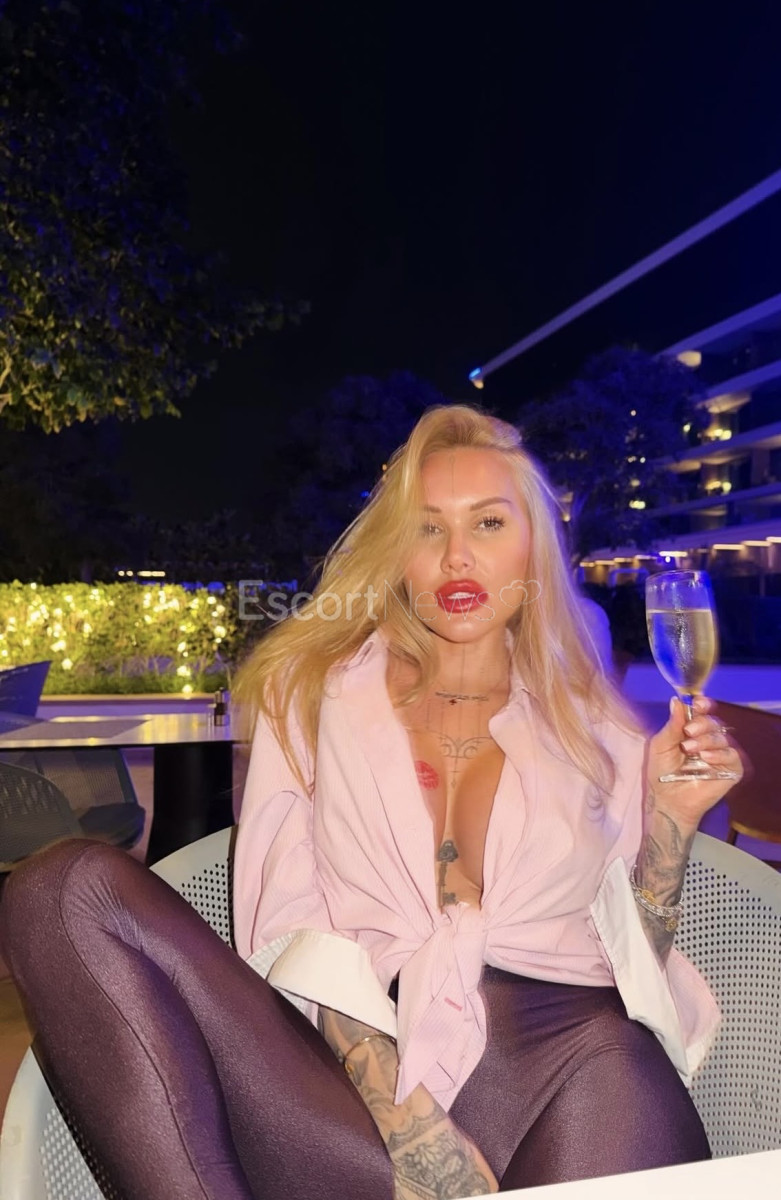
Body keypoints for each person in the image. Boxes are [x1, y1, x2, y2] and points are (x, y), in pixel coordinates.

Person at [0, 405, 742, 1200]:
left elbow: (634, 955)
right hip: (350, 1083)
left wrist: (671, 821)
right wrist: (406, 1121)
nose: (456, 556)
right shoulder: (312, 696)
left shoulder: (598, 729)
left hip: (573, 1066)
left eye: (488, 523)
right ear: (396, 553)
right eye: (427, 528)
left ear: (533, 546)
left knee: (617, 1059)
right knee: (63, 890)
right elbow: (288, 919)